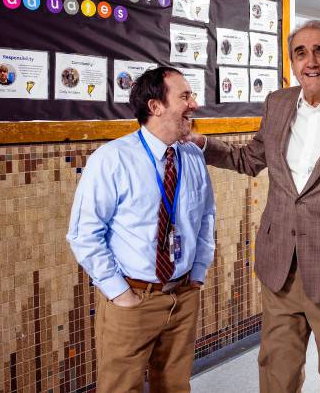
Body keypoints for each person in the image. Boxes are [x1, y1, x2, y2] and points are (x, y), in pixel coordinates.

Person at [189, 19, 320, 392]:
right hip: (280, 269)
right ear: (292, 62)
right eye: (300, 53)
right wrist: (202, 143)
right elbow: (250, 160)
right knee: (275, 372)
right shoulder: (278, 104)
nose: (311, 61)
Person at [67, 66, 215, 392]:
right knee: (121, 387)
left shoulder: (191, 155)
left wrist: (198, 274)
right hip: (133, 299)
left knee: (175, 386)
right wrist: (120, 294)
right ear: (155, 106)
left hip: (183, 294)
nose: (194, 104)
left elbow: (206, 218)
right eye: (185, 96)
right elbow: (84, 234)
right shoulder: (112, 159)